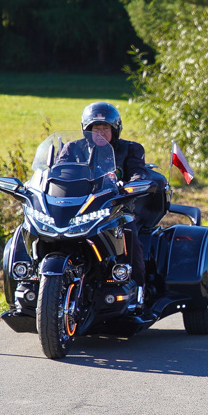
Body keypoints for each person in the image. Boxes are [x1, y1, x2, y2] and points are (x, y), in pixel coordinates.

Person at [69, 102, 152, 295]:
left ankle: (138, 290)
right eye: (95, 128)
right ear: (86, 130)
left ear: (115, 129)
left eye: (105, 128)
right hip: (77, 209)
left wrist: (130, 185)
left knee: (128, 231)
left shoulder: (130, 149)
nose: (100, 132)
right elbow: (55, 173)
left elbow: (140, 174)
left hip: (115, 208)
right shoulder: (72, 149)